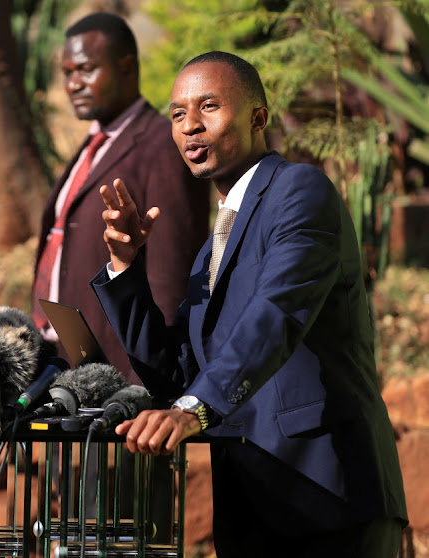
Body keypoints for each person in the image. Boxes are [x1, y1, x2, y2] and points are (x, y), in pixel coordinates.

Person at [90, 51, 408, 557]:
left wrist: (194, 410)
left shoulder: (300, 192)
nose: (190, 126)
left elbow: (277, 315)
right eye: (177, 114)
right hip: (252, 508)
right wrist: (125, 268)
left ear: (258, 118)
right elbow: (176, 374)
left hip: (330, 504)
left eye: (208, 107)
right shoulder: (211, 249)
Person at [31, 12, 207, 385]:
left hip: (121, 374)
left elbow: (171, 273)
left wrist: (149, 382)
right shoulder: (91, 146)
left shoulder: (162, 145)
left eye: (86, 69)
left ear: (127, 67)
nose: (73, 84)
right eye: (66, 73)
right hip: (66, 361)